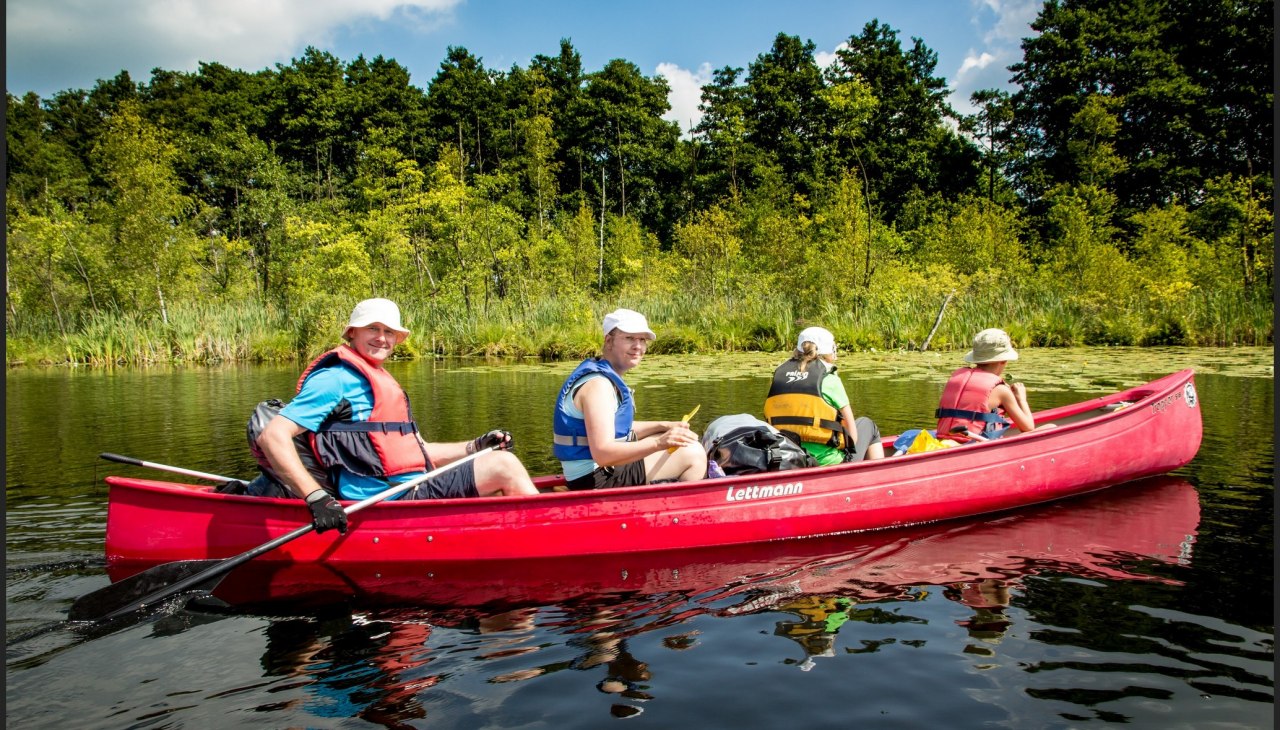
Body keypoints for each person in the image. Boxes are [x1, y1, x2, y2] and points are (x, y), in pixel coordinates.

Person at [257, 297, 539, 534]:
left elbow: (420, 451)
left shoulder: (378, 378)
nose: (382, 338)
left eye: (389, 331)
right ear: (352, 333)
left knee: (496, 468)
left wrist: (475, 446)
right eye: (372, 328)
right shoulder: (334, 379)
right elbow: (273, 436)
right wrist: (316, 497)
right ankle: (543, 536)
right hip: (383, 499)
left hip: (411, 487)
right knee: (504, 467)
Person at [552, 308, 706, 489]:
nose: (638, 346)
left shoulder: (600, 376)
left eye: (642, 340)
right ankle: (673, 507)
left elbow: (614, 429)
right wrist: (659, 443)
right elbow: (603, 454)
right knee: (693, 452)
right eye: (630, 338)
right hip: (596, 479)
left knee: (676, 439)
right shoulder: (599, 386)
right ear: (609, 341)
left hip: (592, 474)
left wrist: (663, 426)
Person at [763, 326, 886, 466]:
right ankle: (877, 474)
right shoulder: (829, 379)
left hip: (790, 460)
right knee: (867, 424)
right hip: (827, 462)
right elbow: (853, 436)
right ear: (829, 350)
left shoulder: (779, 376)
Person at [935, 327, 1038, 442]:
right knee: (1050, 426)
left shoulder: (956, 378)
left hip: (942, 440)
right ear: (1004, 360)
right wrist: (1021, 399)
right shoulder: (1002, 390)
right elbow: (1028, 427)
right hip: (972, 444)